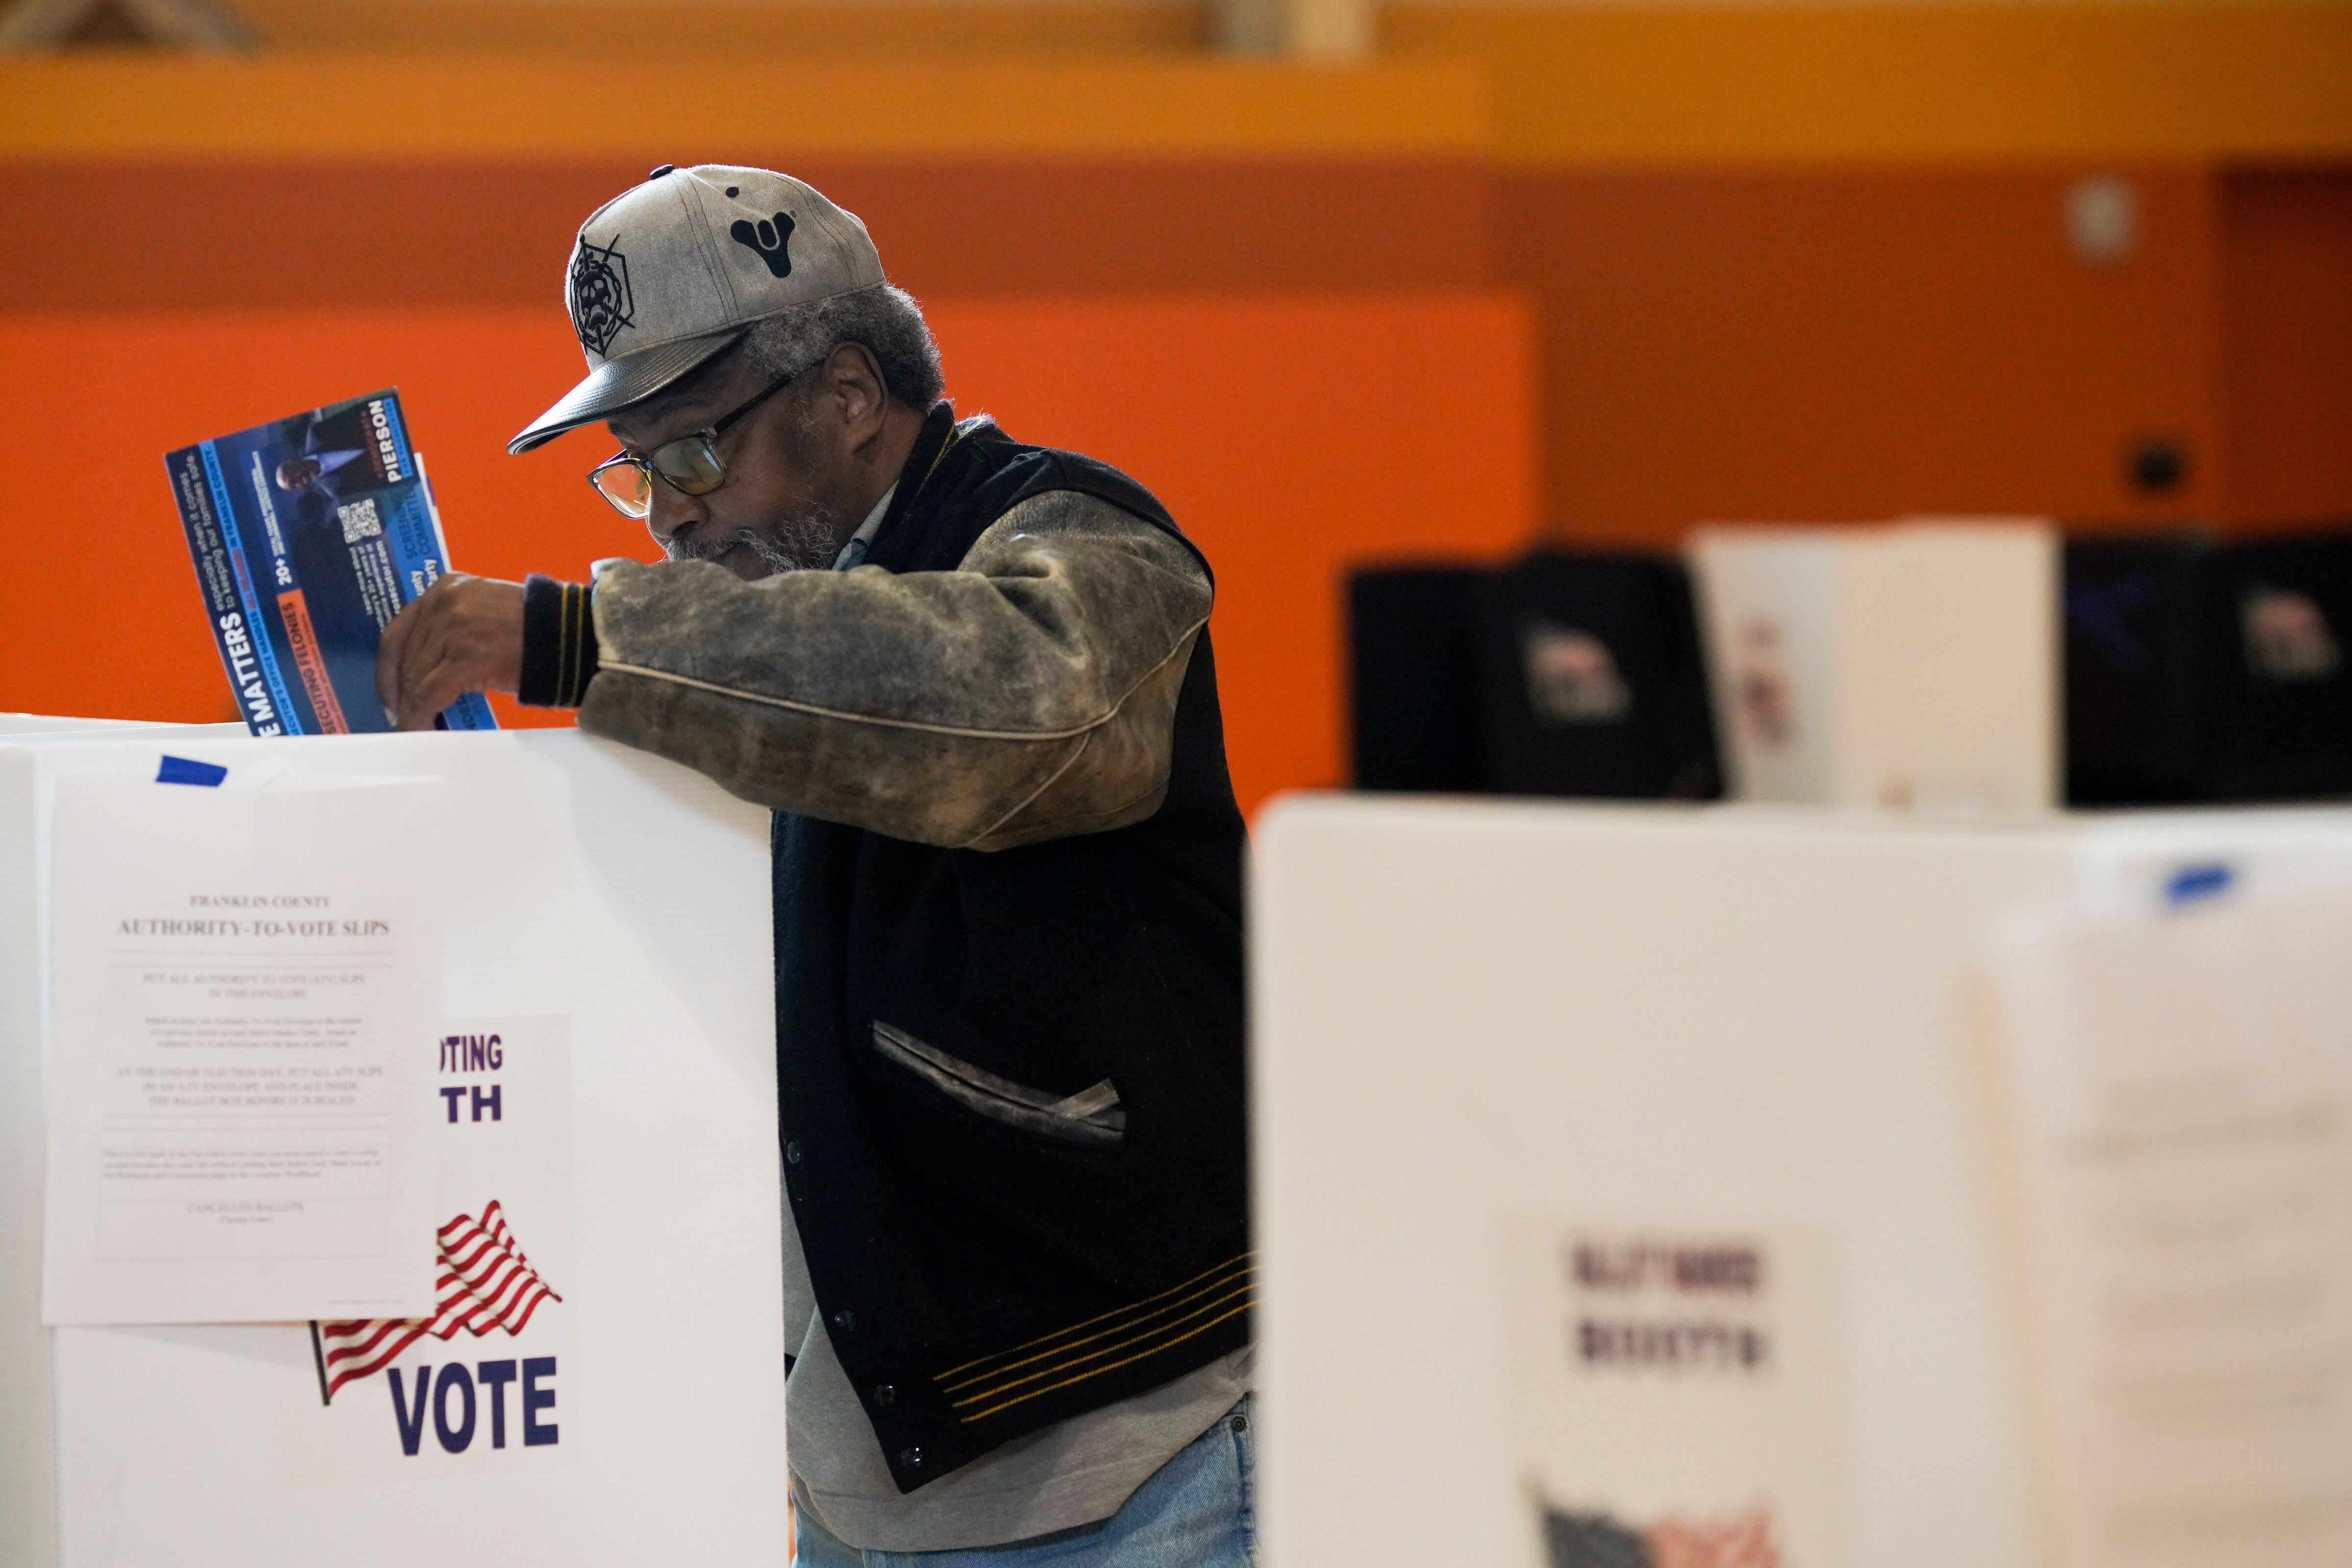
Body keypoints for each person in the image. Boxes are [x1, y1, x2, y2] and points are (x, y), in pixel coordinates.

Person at [374, 165, 1254, 1566]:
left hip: (1133, 1474)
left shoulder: (1086, 545)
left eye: (691, 451)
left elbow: (993, 703)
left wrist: (578, 642)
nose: (664, 514)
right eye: (636, 469)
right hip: (852, 1486)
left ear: (848, 393)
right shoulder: (750, 643)